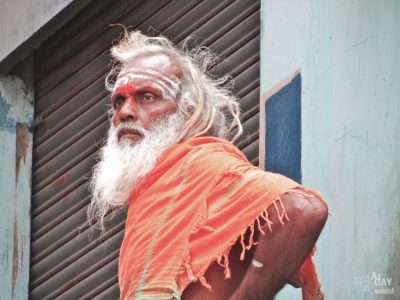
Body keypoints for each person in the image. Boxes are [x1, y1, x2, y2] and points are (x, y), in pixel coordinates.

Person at [88, 30, 328, 300]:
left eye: (147, 97)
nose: (125, 112)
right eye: (119, 101)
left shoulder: (200, 165)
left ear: (186, 111)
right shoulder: (149, 196)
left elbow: (304, 209)